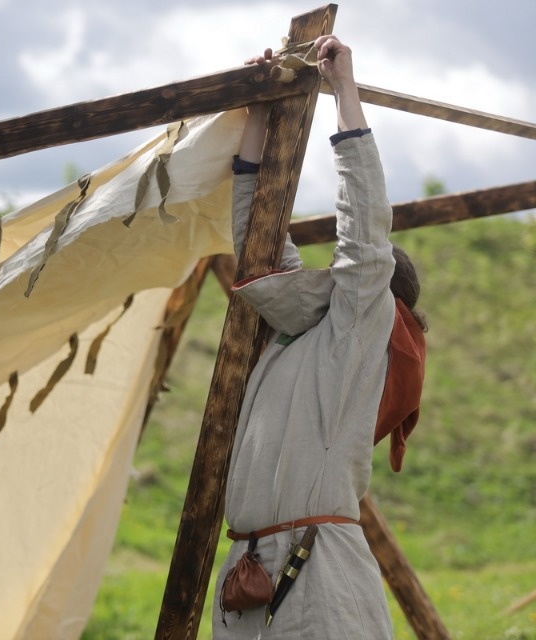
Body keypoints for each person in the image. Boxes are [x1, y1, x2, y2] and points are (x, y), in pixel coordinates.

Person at [213, 35, 427, 638]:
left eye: (349, 279)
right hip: (248, 572)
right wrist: (258, 111)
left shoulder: (356, 335)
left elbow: (364, 233)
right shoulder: (294, 334)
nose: (333, 278)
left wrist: (345, 92)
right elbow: (257, 239)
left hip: (316, 578)